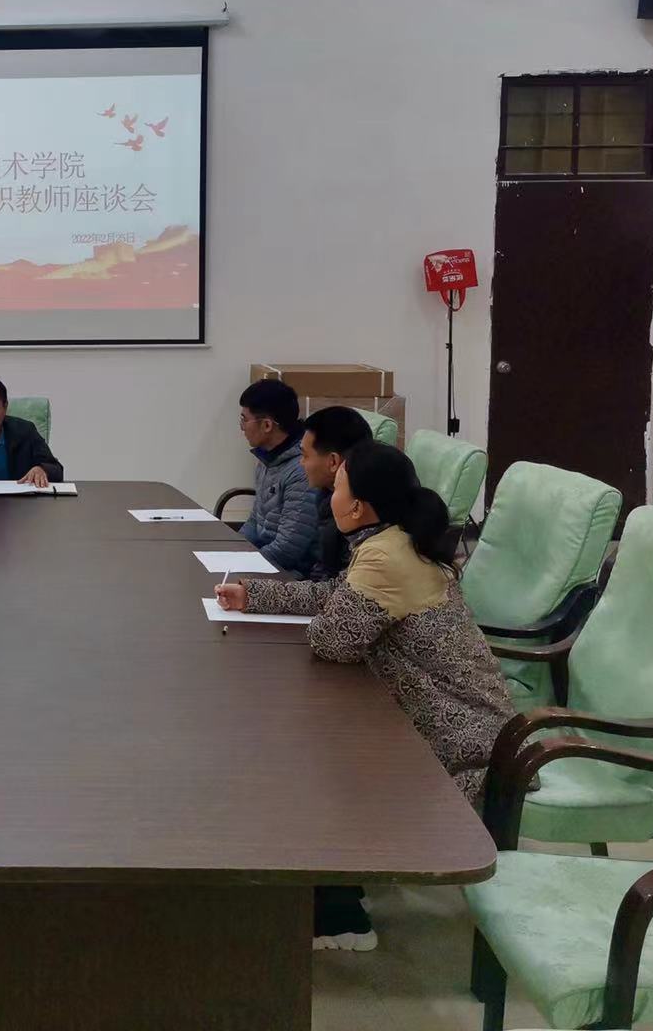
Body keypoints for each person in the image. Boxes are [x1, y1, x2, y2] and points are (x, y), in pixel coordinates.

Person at [215, 440, 514, 951]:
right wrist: (255, 594)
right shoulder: (392, 541)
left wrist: (312, 614)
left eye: (338, 486)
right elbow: (337, 596)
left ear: (356, 507)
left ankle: (338, 911)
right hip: (463, 719)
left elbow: (333, 639)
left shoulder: (384, 555)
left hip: (459, 740)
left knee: (313, 753)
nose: (328, 494)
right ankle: (336, 889)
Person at [236, 379, 321, 577]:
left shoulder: (301, 470)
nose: (241, 427)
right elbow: (255, 521)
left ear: (267, 425)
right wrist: (233, 551)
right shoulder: (267, 458)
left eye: (244, 420)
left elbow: (288, 548)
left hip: (293, 575)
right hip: (265, 562)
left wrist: (244, 565)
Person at [298, 406, 373, 582]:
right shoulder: (325, 494)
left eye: (305, 456)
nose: (301, 463)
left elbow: (338, 587)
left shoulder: (367, 516)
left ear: (333, 461)